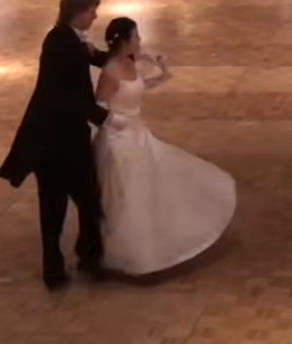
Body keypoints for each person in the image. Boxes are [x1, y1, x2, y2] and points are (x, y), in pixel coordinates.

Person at [92, 17, 236, 275]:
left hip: (137, 135)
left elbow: (139, 87)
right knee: (124, 196)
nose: (140, 41)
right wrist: (120, 122)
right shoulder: (110, 72)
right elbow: (99, 109)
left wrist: (157, 66)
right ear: (124, 41)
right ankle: (120, 252)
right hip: (118, 141)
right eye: (136, 37)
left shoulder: (129, 62)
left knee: (144, 190)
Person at [0, 0, 111, 290]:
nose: (95, 15)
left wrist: (124, 52)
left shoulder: (67, 37)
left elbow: (95, 57)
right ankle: (71, 262)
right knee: (71, 202)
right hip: (56, 140)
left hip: (63, 137)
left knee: (72, 201)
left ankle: (76, 259)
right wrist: (99, 115)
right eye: (91, 11)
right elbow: (60, 93)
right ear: (77, 12)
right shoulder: (62, 43)